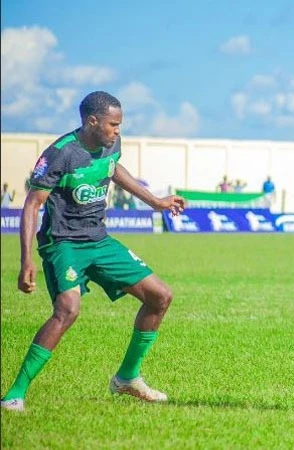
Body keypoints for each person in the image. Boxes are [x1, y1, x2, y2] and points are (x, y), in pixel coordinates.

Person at [0, 91, 187, 412]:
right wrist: (26, 259)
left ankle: (127, 378)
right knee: (68, 310)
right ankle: (14, 394)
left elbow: (114, 168)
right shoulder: (59, 154)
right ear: (92, 121)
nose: (118, 131)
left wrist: (155, 201)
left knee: (160, 296)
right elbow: (32, 205)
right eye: (114, 124)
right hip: (63, 243)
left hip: (99, 241)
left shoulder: (111, 144)